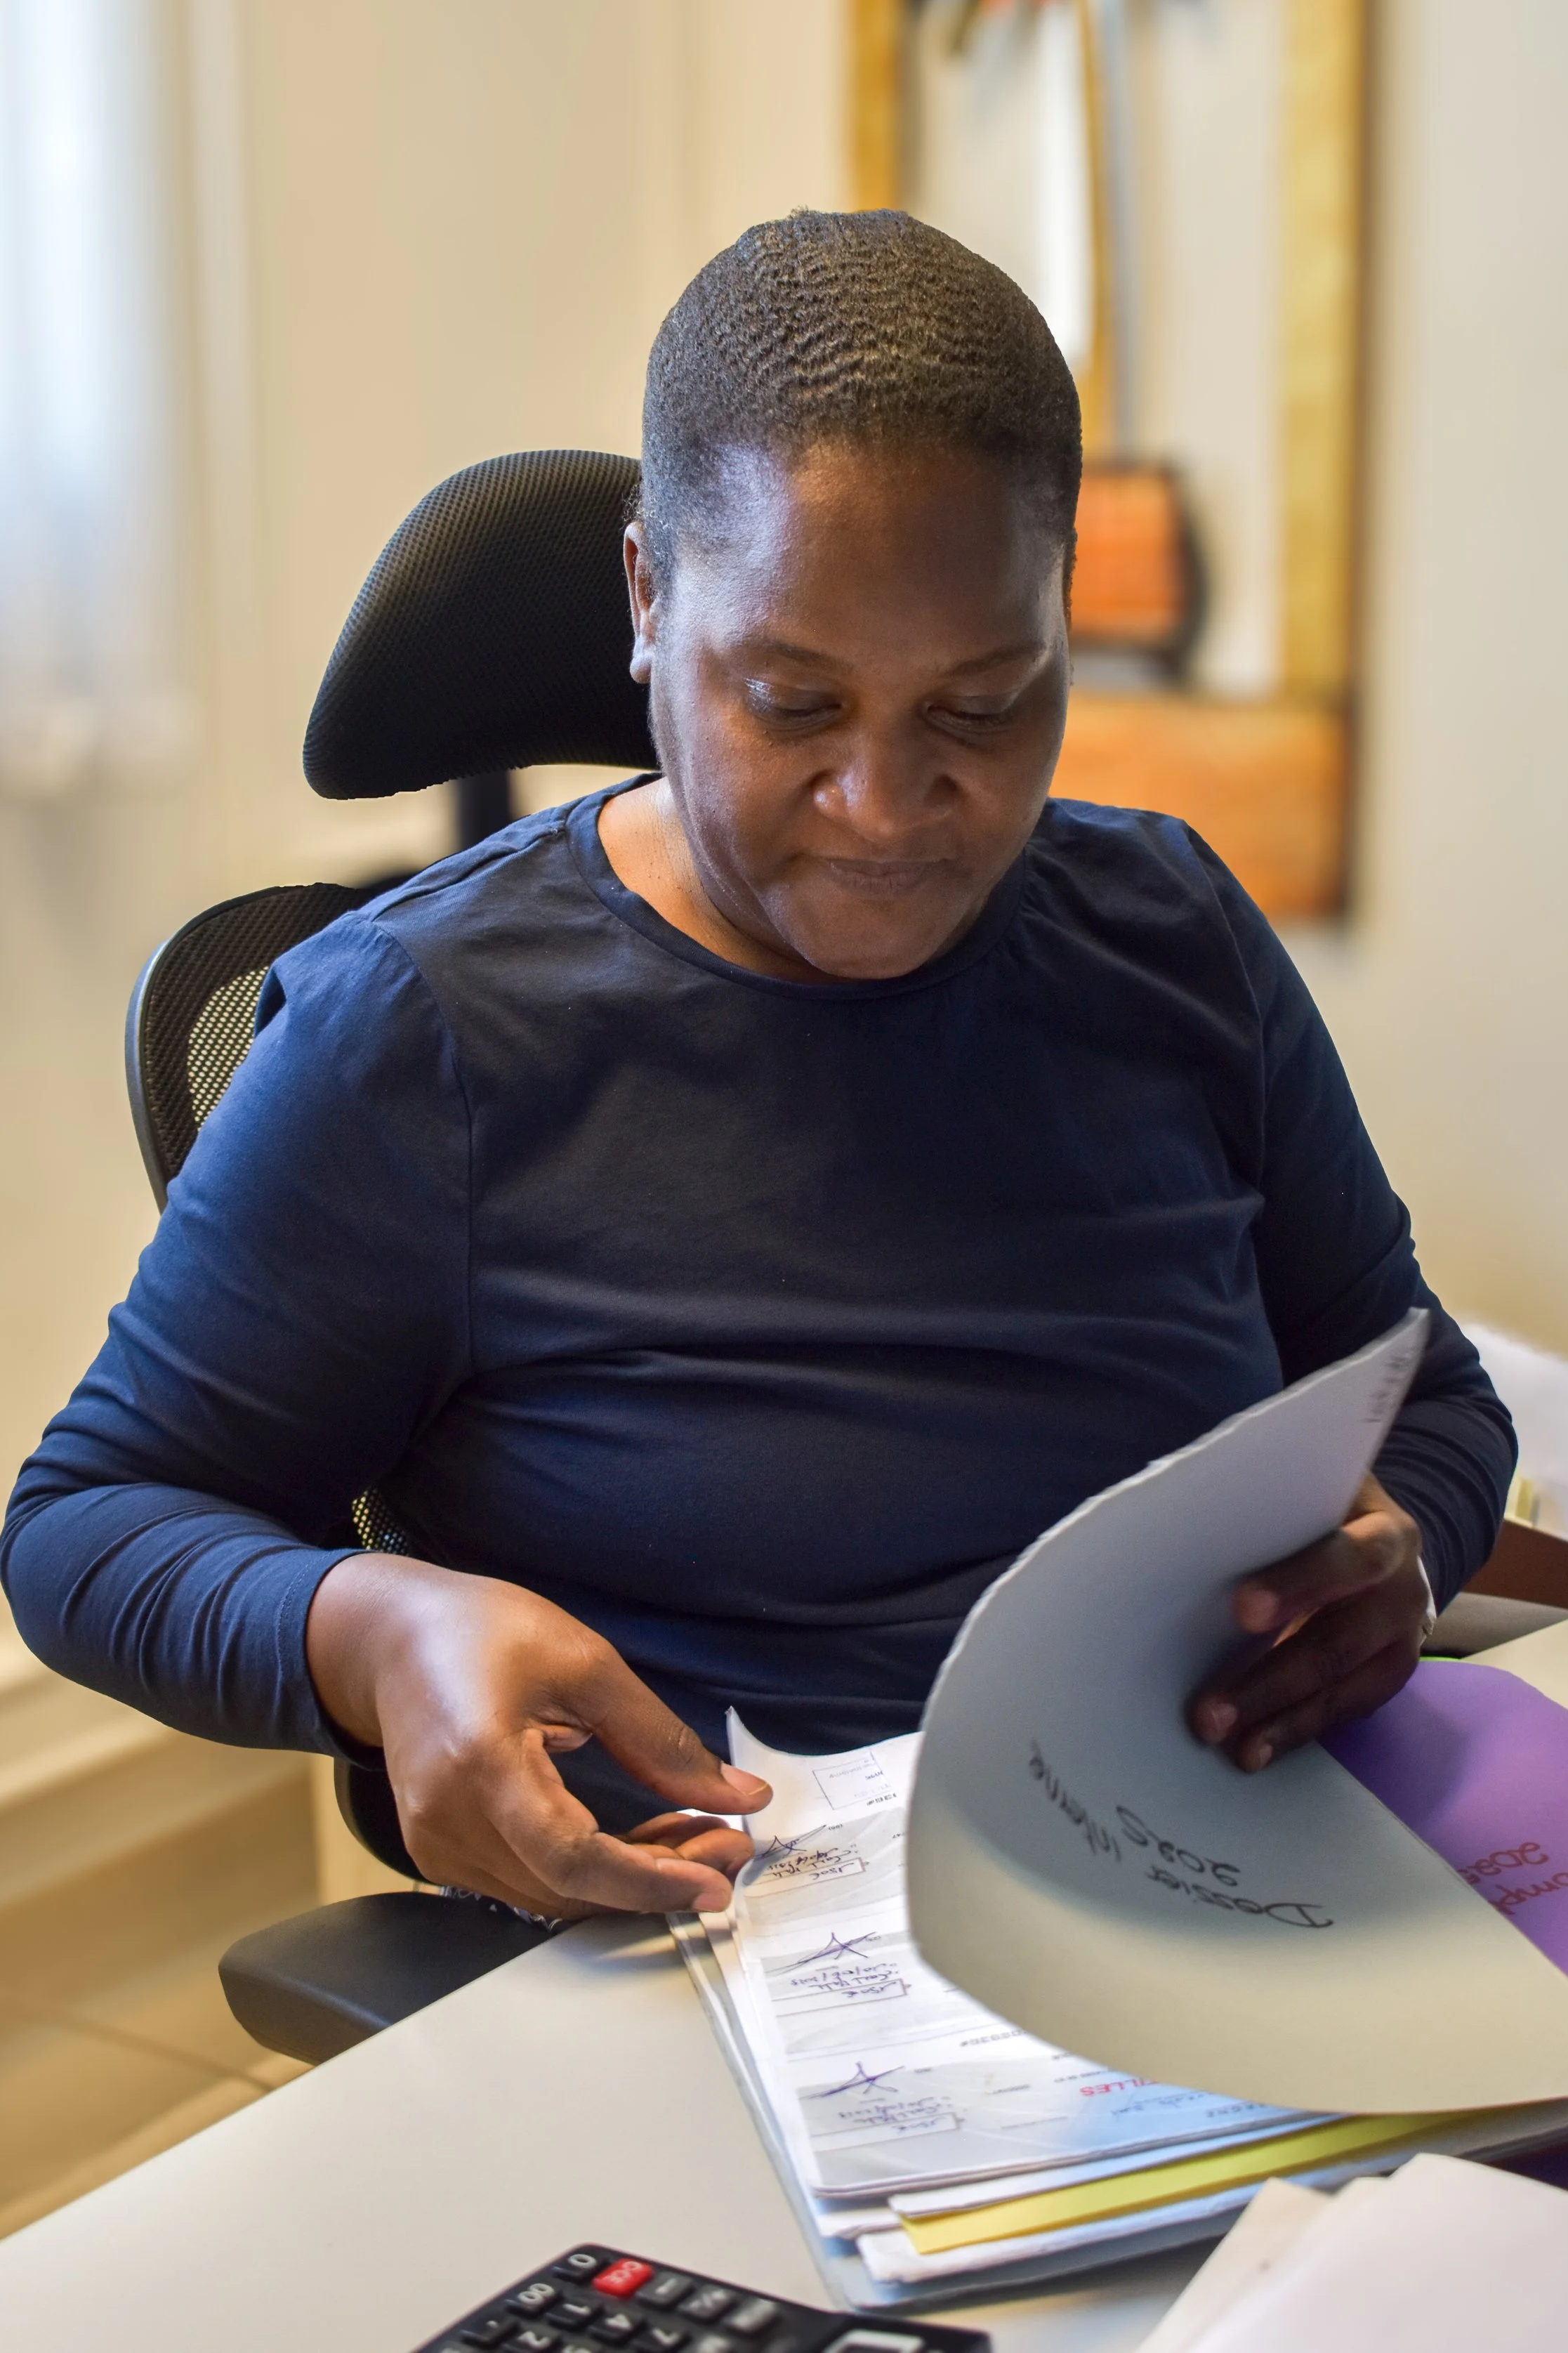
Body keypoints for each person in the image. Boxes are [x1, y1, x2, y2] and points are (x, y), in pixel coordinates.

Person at [2, 211, 1513, 1925]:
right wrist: (373, 1626)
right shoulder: (421, 1032)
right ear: (652, 598)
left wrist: (1403, 1550)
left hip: (1219, 1880)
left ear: (1060, 621)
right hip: (749, 1949)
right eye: (794, 705)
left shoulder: (1172, 936)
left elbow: (1432, 1402)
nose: (885, 806)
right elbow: (85, 1524)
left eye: (982, 705)